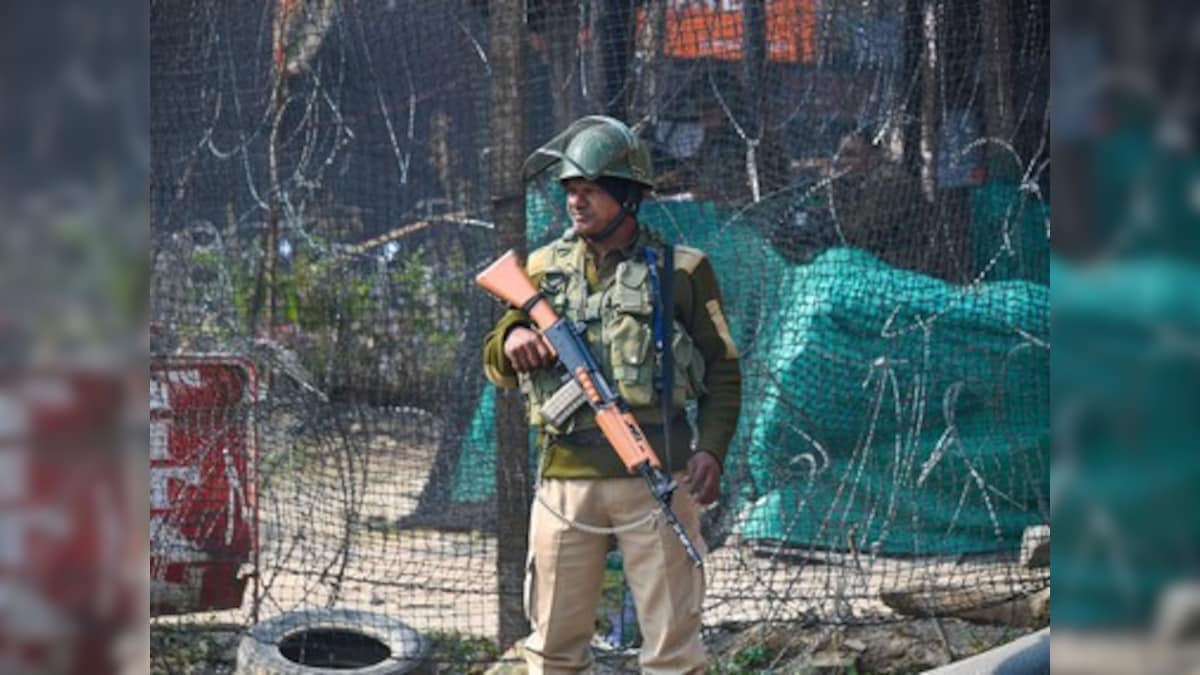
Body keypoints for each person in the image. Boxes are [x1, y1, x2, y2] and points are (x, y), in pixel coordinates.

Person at [482, 115, 742, 674]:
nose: (577, 202)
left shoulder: (682, 271)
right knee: (552, 647)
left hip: (658, 477)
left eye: (591, 190)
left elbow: (722, 371)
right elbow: (498, 361)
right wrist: (516, 337)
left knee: (673, 650)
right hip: (565, 484)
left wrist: (711, 450)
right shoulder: (542, 270)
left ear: (628, 196)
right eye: (571, 191)